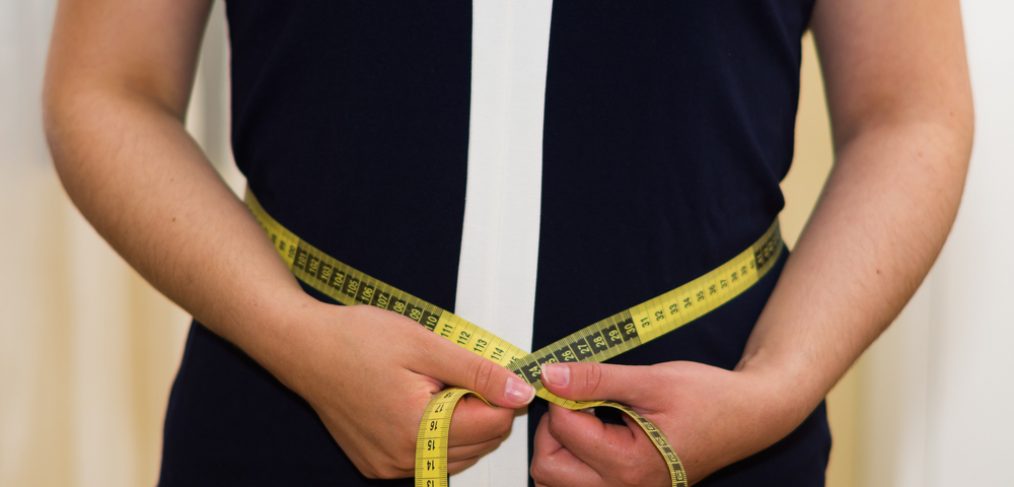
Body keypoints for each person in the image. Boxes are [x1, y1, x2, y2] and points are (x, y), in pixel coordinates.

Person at [43, 0, 972, 485]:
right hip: (287, 428)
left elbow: (911, 114)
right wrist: (294, 336)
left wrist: (774, 387)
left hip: (717, 453)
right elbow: (104, 86)